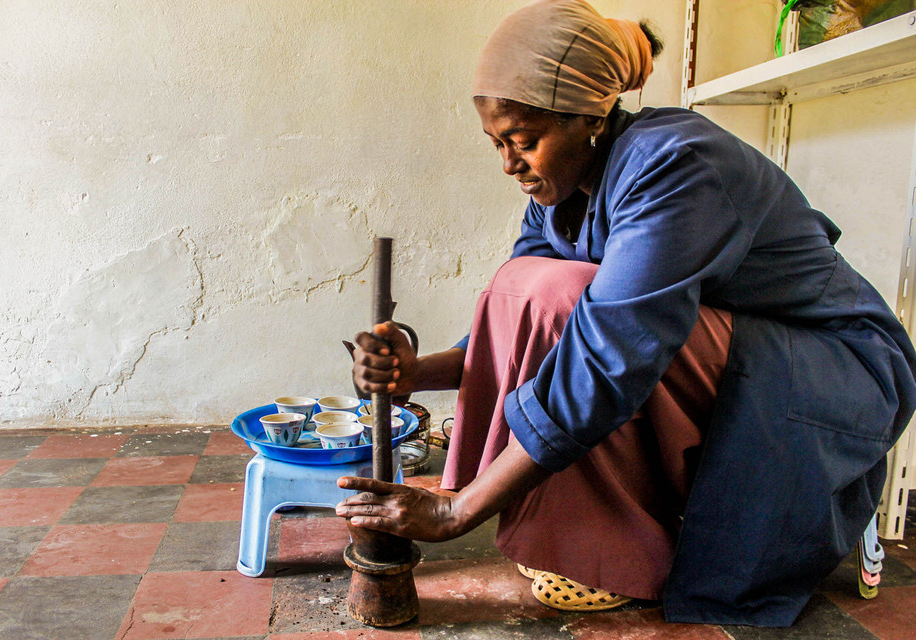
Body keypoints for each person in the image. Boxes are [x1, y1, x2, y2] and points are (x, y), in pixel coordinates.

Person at [335, 0, 916, 628]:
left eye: (524, 141)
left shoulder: (675, 162)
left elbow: (610, 354)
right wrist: (413, 373)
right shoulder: (562, 192)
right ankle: (594, 527)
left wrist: (457, 512)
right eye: (497, 143)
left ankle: (629, 545)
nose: (509, 164)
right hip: (740, 356)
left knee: (566, 303)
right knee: (527, 283)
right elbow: (506, 324)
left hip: (831, 374)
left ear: (588, 118)